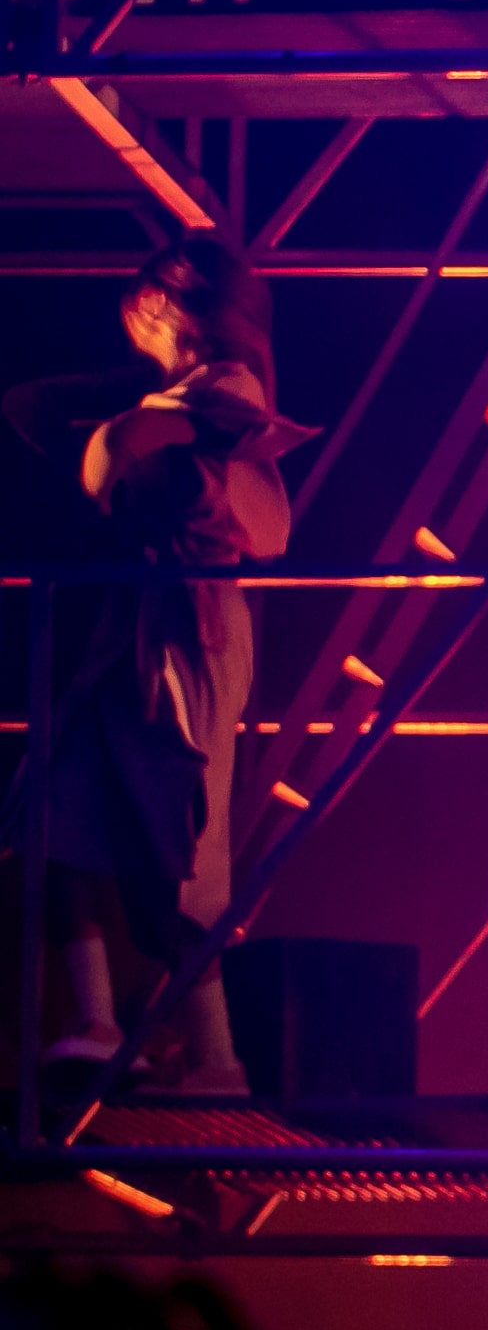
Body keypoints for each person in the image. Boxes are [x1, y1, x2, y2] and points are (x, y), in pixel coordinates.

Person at [3, 236, 312, 1092]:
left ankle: (217, 1056)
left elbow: (178, 465)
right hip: (140, 627)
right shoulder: (184, 397)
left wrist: (131, 424)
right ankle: (99, 1019)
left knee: (172, 836)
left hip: (188, 633)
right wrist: (129, 405)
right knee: (60, 804)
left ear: (172, 309)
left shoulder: (226, 395)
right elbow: (36, 410)